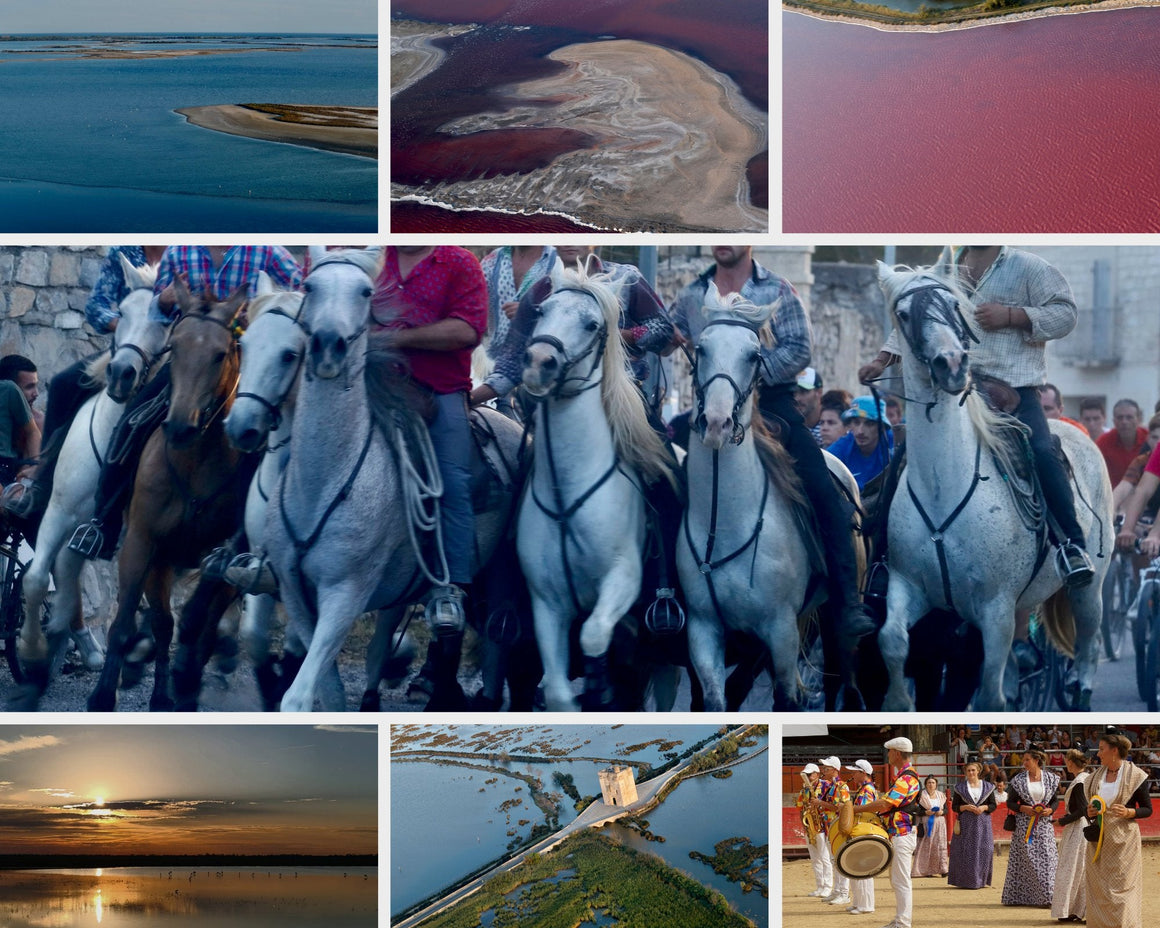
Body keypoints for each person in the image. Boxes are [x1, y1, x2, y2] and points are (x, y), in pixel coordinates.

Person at [860, 244, 1094, 587]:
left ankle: (1072, 546)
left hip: (1015, 391)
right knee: (904, 458)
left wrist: (1013, 316)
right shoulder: (946, 269)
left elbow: (1066, 314)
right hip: (960, 389)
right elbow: (917, 317)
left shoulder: (1030, 267)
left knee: (1043, 451)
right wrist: (882, 360)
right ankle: (882, 560)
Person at [671, 244, 871, 643]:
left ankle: (847, 601)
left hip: (773, 404)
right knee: (661, 480)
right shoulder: (693, 293)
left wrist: (748, 375)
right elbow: (669, 334)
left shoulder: (778, 290)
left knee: (823, 487)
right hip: (709, 407)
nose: (723, 243)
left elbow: (800, 349)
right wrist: (654, 333)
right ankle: (665, 595)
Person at [70, 245, 302, 561]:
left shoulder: (269, 253)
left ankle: (251, 545)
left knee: (264, 438)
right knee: (133, 421)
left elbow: (300, 303)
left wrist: (264, 312)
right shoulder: (180, 253)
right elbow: (158, 314)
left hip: (247, 363)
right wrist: (163, 301)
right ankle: (104, 522)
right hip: (188, 362)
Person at [371, 245, 487, 632]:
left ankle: (451, 588)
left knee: (452, 482)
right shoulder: (372, 258)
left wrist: (395, 338)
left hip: (438, 391)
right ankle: (257, 552)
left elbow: (467, 329)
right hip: (372, 386)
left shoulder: (459, 262)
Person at [477, 245, 558, 418]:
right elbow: (476, 305)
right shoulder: (492, 260)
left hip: (536, 361)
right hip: (491, 360)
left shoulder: (555, 261)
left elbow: (561, 312)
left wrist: (528, 310)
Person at [1083, 731, 1152, 928]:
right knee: (1099, 888)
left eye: (1102, 749)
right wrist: (1090, 812)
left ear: (1114, 751)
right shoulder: (1094, 778)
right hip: (1099, 839)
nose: (1098, 754)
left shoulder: (1136, 776)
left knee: (1122, 888)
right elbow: (1090, 810)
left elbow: (1147, 809)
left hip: (1124, 841)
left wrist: (1129, 812)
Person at [863, 736, 921, 928]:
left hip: (902, 833)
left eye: (889, 751)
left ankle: (903, 922)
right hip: (899, 832)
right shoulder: (904, 776)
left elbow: (886, 803)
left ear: (896, 753)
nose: (888, 755)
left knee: (901, 881)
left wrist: (855, 810)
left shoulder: (905, 778)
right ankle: (900, 920)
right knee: (898, 880)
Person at [1001, 747, 1060, 907]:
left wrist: (1051, 810)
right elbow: (1010, 802)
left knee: (1048, 860)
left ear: (1036, 760)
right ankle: (1025, 897)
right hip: (1024, 825)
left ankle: (1048, 896)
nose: (1024, 763)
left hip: (1044, 825)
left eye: (1027, 760)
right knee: (1027, 862)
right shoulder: (1018, 780)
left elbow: (1055, 800)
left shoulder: (1050, 778)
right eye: (1024, 760)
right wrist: (1023, 808)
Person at [1053, 749, 1091, 923]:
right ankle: (1074, 909)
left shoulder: (1080, 782)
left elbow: (1082, 809)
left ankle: (1074, 909)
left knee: (1072, 868)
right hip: (1078, 827)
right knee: (1075, 869)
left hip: (1078, 828)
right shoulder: (1083, 779)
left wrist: (1063, 820)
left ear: (1070, 762)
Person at [947, 762, 997, 889]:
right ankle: (965, 880)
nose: (971, 773)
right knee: (965, 851)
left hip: (983, 823)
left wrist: (984, 807)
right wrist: (965, 807)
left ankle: (981, 880)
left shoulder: (988, 787)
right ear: (965, 772)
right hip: (966, 823)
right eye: (968, 770)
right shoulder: (960, 787)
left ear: (978, 771)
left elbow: (993, 805)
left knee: (985, 850)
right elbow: (954, 807)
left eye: (973, 770)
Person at [827, 395, 894, 490]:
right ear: (850, 424)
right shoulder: (843, 446)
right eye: (856, 422)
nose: (860, 431)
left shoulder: (893, 446)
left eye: (869, 423)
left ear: (882, 427)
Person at [811, 755, 851, 907]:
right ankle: (836, 890)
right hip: (828, 827)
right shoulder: (830, 786)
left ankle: (844, 893)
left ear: (835, 770)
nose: (823, 770)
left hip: (837, 828)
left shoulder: (842, 787)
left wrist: (820, 803)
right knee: (834, 860)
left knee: (840, 860)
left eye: (826, 769)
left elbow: (842, 807)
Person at [845, 759, 878, 915]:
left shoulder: (866, 790)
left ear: (863, 773)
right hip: (860, 829)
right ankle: (859, 901)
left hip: (863, 829)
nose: (852, 775)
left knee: (862, 867)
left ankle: (865, 904)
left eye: (854, 772)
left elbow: (863, 811)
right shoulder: (864, 789)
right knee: (856, 866)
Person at [796, 762, 832, 898]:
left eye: (810, 774)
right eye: (806, 774)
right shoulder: (804, 789)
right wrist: (805, 825)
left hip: (822, 826)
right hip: (810, 826)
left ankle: (828, 886)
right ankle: (820, 886)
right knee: (815, 858)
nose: (808, 777)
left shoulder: (826, 786)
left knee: (824, 857)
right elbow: (800, 807)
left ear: (817, 774)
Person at [1097, 399, 1146, 488]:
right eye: (1120, 417)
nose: (1124, 422)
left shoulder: (1149, 439)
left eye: (1129, 417)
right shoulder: (1103, 442)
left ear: (1138, 419)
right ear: (1113, 420)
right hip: (1114, 496)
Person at [911, 775, 949, 877]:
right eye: (929, 783)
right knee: (925, 846)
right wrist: (925, 812)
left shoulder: (941, 796)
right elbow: (915, 810)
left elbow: (946, 810)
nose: (931, 785)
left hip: (940, 824)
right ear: (925, 784)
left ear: (936, 784)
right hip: (926, 824)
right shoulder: (920, 796)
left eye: (933, 783)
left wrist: (941, 812)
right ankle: (925, 870)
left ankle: (943, 869)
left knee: (940, 845)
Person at [794, 367, 823, 444]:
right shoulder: (790, 426)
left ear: (819, 392)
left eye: (803, 392)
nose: (797, 398)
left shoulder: (831, 426)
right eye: (794, 392)